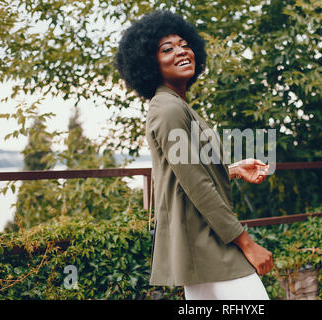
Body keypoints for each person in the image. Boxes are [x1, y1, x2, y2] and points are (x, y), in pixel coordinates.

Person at [115, 10, 273, 300]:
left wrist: (234, 168)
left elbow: (187, 171)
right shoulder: (169, 109)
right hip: (207, 243)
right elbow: (196, 184)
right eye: (167, 48)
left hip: (200, 240)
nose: (181, 51)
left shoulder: (175, 105)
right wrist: (247, 243)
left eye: (184, 44)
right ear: (149, 63)